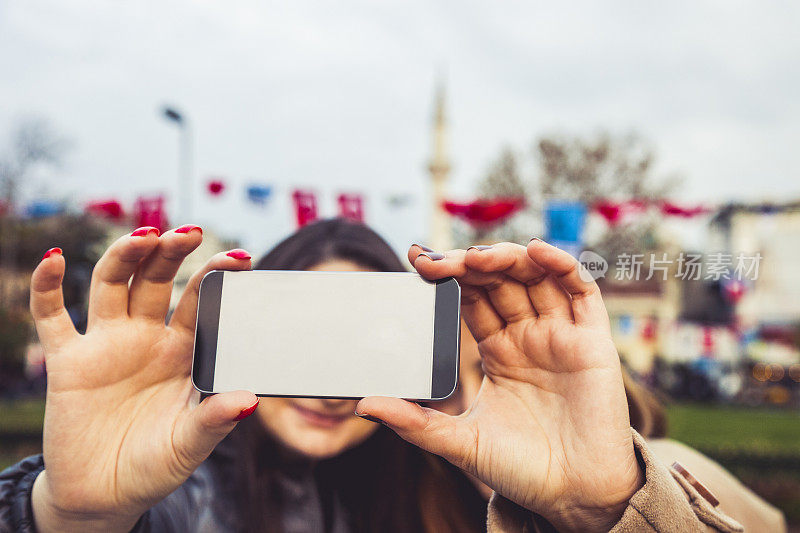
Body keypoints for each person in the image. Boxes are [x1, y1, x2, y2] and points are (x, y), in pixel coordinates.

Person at [0, 219, 785, 532]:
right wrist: (67, 515)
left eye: (373, 345)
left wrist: (610, 504)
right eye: (309, 339)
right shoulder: (176, 489)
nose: (333, 388)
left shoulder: (446, 486)